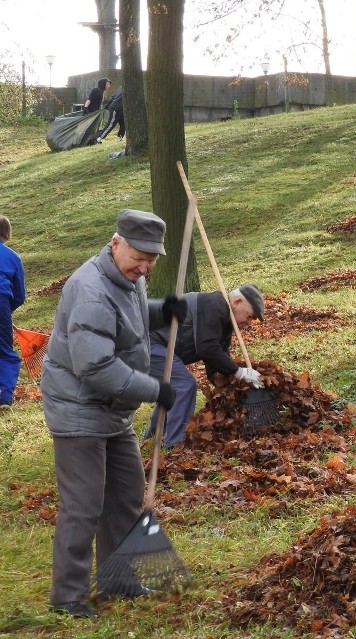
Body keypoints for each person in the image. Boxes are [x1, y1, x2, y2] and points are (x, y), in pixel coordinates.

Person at [40, 209, 187, 618]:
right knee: (84, 503)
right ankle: (67, 594)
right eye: (138, 257)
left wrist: (164, 309)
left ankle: (118, 577)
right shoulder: (90, 289)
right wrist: (154, 389)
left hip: (113, 411)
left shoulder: (128, 277)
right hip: (79, 408)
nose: (143, 268)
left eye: (151, 261)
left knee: (124, 494)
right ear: (116, 242)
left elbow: (128, 317)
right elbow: (96, 366)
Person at [144, 284, 266, 448]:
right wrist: (239, 372)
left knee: (173, 385)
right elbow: (207, 349)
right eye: (250, 316)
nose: (249, 322)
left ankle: (152, 436)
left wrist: (230, 387)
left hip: (161, 346)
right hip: (147, 342)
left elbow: (216, 359)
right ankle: (175, 445)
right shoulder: (215, 305)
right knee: (184, 385)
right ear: (236, 302)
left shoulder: (225, 321)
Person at [0, 215, 26, 408]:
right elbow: (19, 295)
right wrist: (7, 311)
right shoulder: (13, 257)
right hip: (2, 303)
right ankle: (4, 397)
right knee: (5, 351)